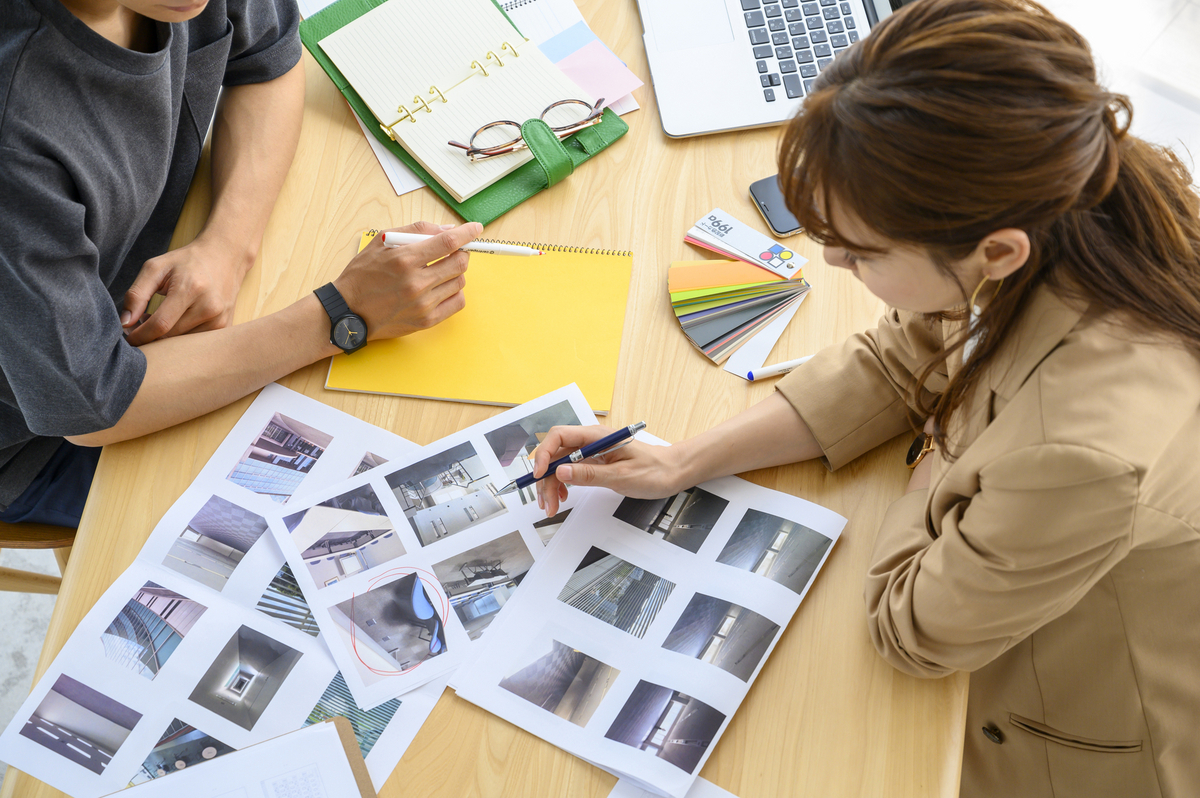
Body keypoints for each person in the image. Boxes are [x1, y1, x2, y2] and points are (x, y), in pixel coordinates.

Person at [533, 1, 1200, 795]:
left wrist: (934, 447)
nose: (836, 265)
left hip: (1077, 723)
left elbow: (914, 630)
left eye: (861, 252)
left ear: (996, 250)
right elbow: (905, 356)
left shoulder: (1085, 449)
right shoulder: (1058, 203)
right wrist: (685, 460)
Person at [0, 0, 478, 526]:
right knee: (367, 515)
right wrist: (342, 315)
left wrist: (227, 244)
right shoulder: (16, 124)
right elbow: (92, 407)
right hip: (41, 440)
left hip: (146, 324)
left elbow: (270, 56)